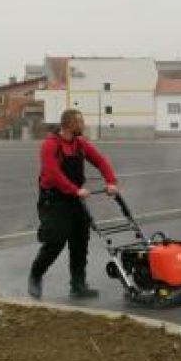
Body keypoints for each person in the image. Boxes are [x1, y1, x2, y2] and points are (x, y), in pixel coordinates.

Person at [28, 108, 119, 299]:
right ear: (68, 124)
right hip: (53, 200)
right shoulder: (50, 145)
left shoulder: (80, 144)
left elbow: (100, 161)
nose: (83, 125)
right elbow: (53, 174)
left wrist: (111, 182)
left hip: (75, 200)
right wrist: (75, 190)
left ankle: (78, 285)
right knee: (55, 241)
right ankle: (35, 276)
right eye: (80, 122)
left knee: (80, 242)